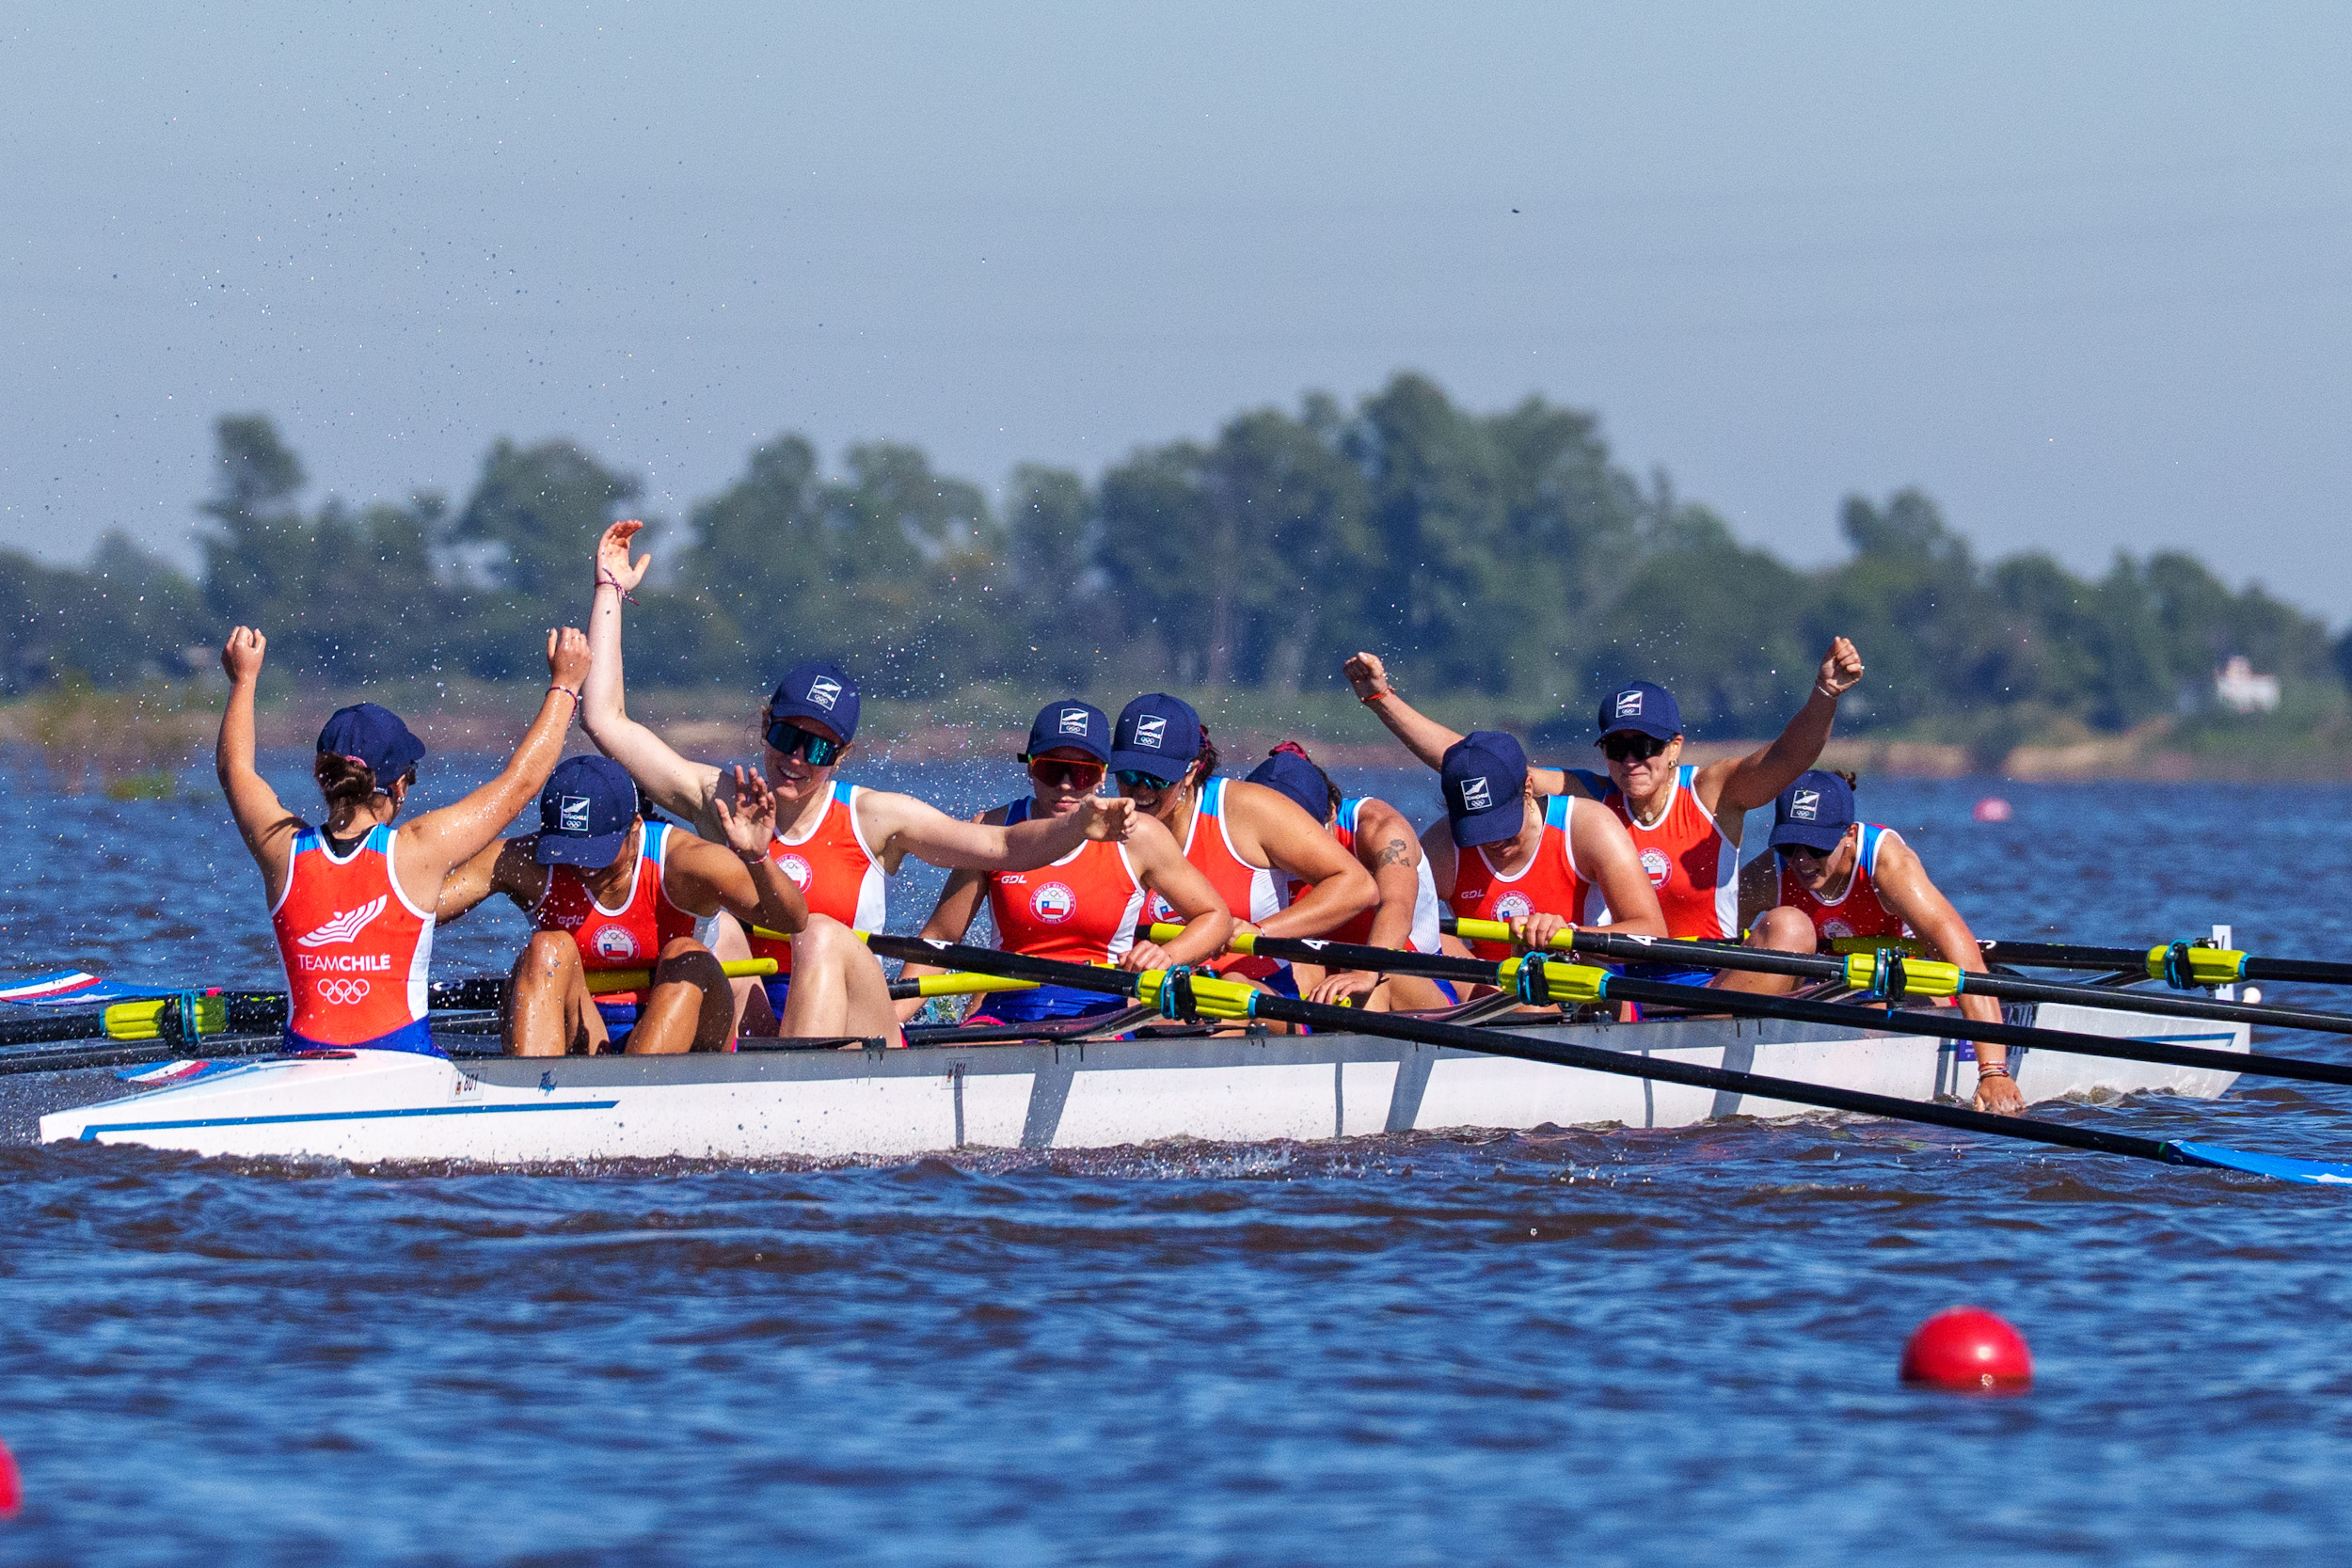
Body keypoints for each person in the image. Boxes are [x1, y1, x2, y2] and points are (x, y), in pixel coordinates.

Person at [581, 520, 1136, 1034]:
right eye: (788, 737)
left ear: (842, 755)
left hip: (851, 1025)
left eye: (820, 747)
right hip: (754, 1017)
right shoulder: (721, 800)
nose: (798, 759)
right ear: (766, 727)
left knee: (819, 934)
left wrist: (1078, 826)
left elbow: (1002, 846)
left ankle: (800, 1077)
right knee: (714, 932)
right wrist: (611, 591)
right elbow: (606, 721)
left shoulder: (874, 818)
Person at [1343, 640, 1866, 991]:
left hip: (1705, 979)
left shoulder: (1714, 792)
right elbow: (1478, 768)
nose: (1632, 760)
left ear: (1675, 746)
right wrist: (1382, 699)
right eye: (1618, 747)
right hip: (1610, 977)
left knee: (1790, 928)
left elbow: (1788, 759)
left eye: (1646, 746)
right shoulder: (1591, 794)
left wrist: (1826, 694)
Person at [215, 623, 591, 1056]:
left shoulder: (282, 849)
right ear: (398, 787)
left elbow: (234, 771)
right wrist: (565, 685)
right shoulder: (417, 851)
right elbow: (520, 784)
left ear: (324, 779)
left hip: (301, 1063)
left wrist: (243, 680)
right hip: (406, 1063)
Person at [435, 755, 847, 1054]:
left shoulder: (684, 863)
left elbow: (792, 919)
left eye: (597, 854)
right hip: (585, 1029)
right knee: (546, 948)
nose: (582, 867)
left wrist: (757, 858)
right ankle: (532, 1105)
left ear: (635, 828)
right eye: (568, 852)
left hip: (688, 1027)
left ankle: (634, 1096)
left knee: (688, 955)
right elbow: (417, 907)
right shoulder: (526, 862)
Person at [895, 702, 1234, 1026]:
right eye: (1052, 769)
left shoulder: (1138, 834)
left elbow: (1215, 917)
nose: (1066, 785)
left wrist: (1167, 956)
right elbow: (940, 939)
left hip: (1101, 1011)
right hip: (1006, 1007)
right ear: (1030, 767)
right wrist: (890, 1020)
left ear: (1103, 775)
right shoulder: (992, 829)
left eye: (1083, 773)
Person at [1749, 769, 2024, 1115]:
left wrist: (1993, 1071)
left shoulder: (1890, 866)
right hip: (1828, 990)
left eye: (1816, 847)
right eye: (1789, 846)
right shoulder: (1769, 873)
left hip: (1908, 984)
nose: (1801, 860)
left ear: (1849, 834)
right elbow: (1708, 935)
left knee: (1870, 1017)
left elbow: (1967, 966)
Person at [1106, 693, 1375, 988]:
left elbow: (1358, 886)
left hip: (1252, 989)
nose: (1141, 790)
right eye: (1129, 774)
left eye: (1157, 778)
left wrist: (1261, 931)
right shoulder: (1099, 824)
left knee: (1232, 981)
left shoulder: (1247, 809)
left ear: (1191, 771)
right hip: (1147, 991)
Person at [1425, 730, 1668, 1000]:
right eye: (1478, 828)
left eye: (1501, 822)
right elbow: (1407, 926)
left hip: (1585, 988)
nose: (1494, 840)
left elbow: (1653, 932)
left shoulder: (1588, 825)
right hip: (1489, 991)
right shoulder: (1441, 847)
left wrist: (1569, 937)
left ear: (1528, 789)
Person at [1242, 742, 1458, 1012]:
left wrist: (1366, 972)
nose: (1290, 851)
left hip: (1412, 984)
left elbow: (1397, 906)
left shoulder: (1380, 830)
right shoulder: (1245, 841)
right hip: (1324, 983)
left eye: (1304, 834)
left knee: (1372, 974)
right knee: (1272, 970)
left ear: (1332, 811)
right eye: (1276, 839)